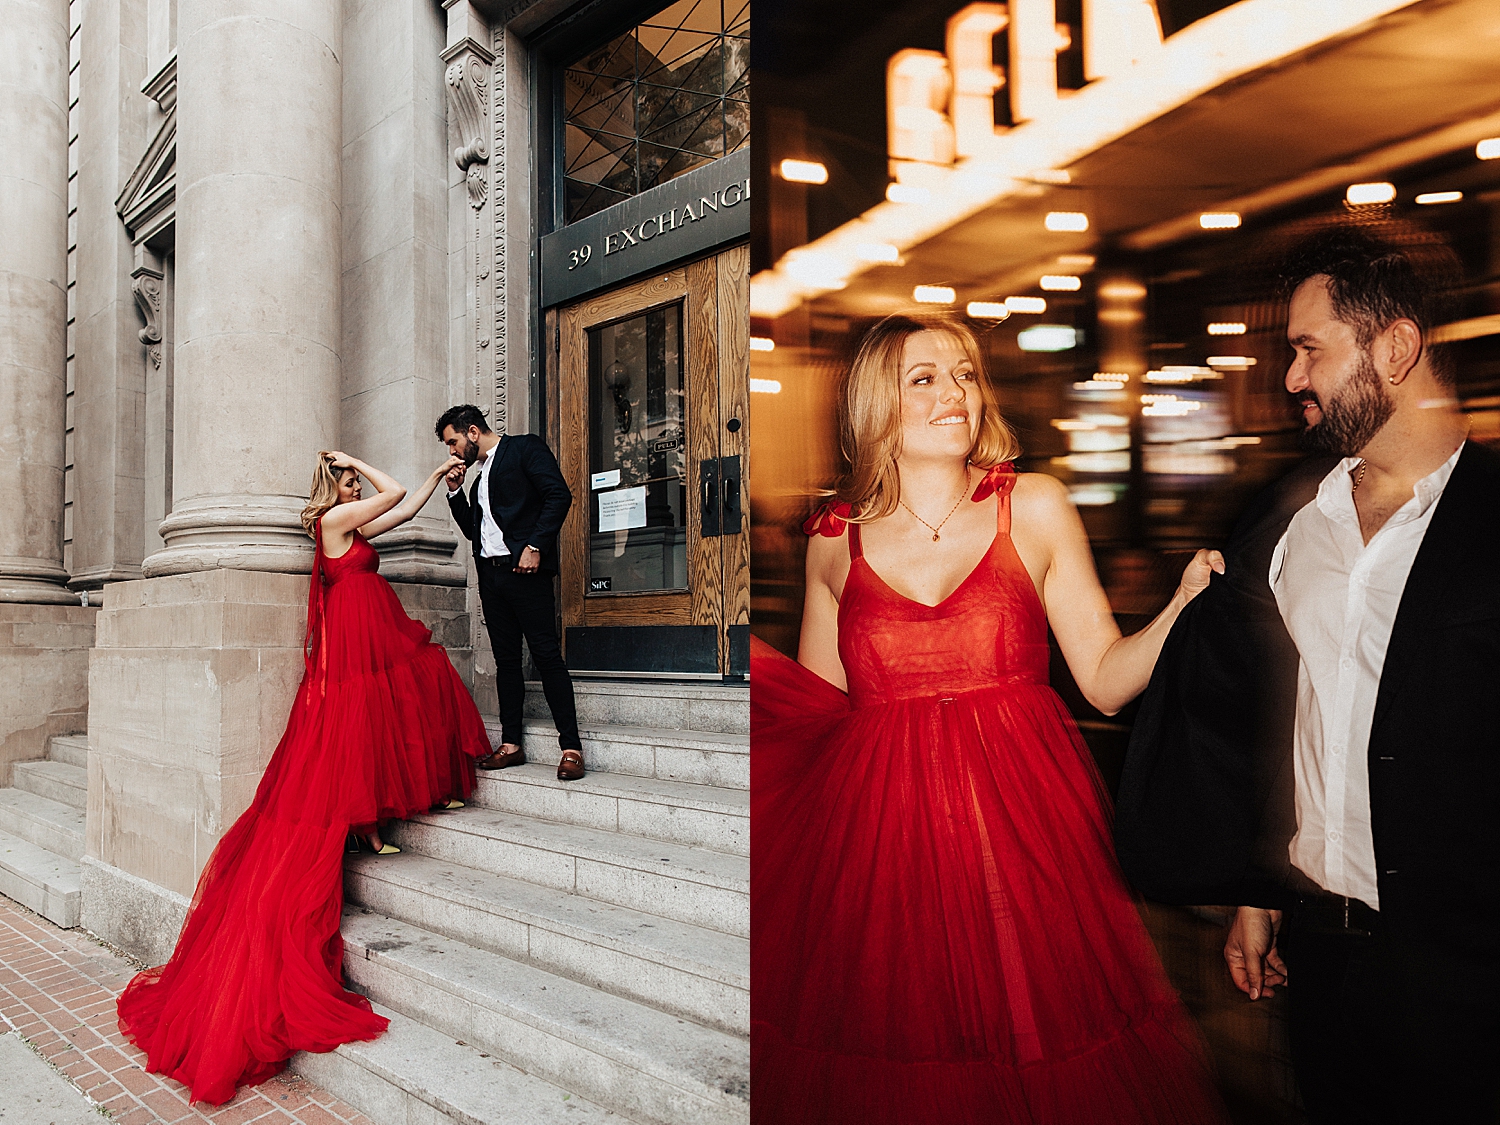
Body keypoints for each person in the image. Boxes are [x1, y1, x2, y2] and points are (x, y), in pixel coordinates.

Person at [751, 311, 1231, 1124]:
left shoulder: (1034, 506)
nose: (955, 393)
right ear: (878, 403)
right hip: (886, 856)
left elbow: (1107, 681)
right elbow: (818, 713)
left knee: (1042, 1052)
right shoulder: (836, 541)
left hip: (1024, 843)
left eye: (965, 373)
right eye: (924, 378)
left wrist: (1182, 606)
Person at [1116, 224, 1498, 1122]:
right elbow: (1271, 717)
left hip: (1472, 972)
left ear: (1395, 348)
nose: (1291, 378)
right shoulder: (1285, 524)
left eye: (1308, 350)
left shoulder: (1494, 520)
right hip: (1324, 964)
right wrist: (1259, 887)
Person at [117, 450, 492, 1105]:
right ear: (339, 483)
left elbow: (404, 507)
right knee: (394, 705)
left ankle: (371, 830)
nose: (356, 483)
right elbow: (392, 490)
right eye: (348, 477)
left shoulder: (346, 522)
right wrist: (358, 461)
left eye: (352, 477)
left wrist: (436, 479)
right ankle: (367, 831)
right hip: (358, 646)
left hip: (366, 644)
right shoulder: (338, 515)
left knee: (402, 702)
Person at [436, 405, 584, 781]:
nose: (452, 452)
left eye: (453, 442)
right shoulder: (477, 479)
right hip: (492, 577)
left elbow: (558, 496)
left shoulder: (524, 449)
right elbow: (474, 531)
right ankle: (512, 744)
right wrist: (455, 493)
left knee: (546, 655)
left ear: (472, 432)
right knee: (506, 662)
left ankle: (571, 747)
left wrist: (535, 545)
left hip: (526, 572)